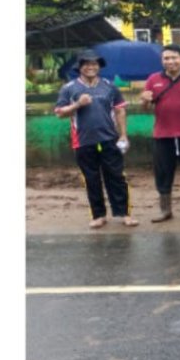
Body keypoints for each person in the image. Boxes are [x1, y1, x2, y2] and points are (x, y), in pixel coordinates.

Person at [55, 50, 135, 229]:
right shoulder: (69, 88)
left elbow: (120, 110)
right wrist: (77, 104)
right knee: (91, 179)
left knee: (116, 177)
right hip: (83, 141)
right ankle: (98, 215)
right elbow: (59, 113)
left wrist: (123, 135)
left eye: (94, 64)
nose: (91, 67)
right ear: (80, 67)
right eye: (87, 64)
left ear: (99, 66)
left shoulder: (109, 86)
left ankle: (124, 214)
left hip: (109, 139)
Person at [140, 43, 180, 222]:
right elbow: (146, 108)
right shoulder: (153, 79)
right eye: (166, 58)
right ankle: (165, 209)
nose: (171, 61)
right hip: (163, 135)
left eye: (174, 58)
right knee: (163, 172)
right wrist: (144, 101)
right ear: (162, 61)